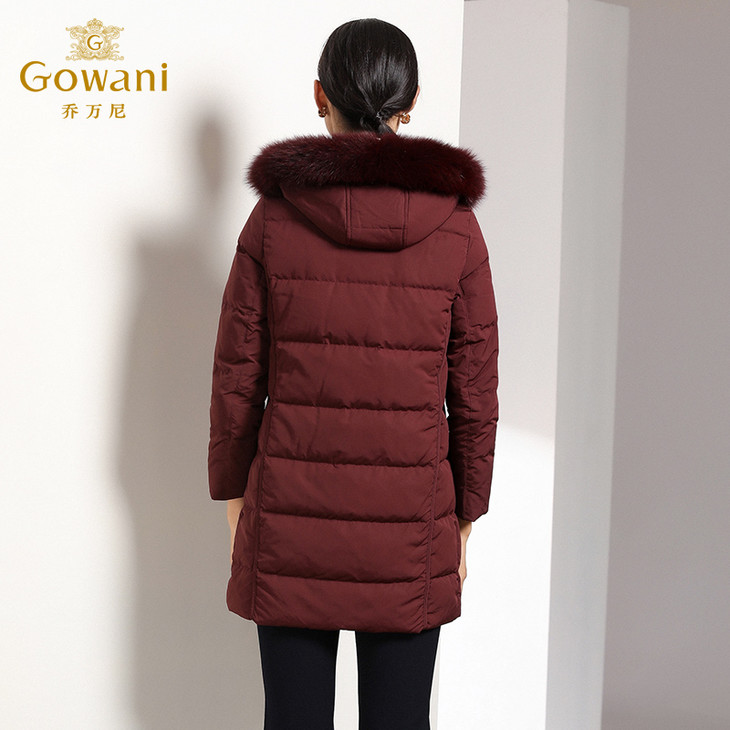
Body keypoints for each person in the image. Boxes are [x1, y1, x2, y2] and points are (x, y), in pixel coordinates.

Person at [207, 17, 499, 730]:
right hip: (412, 524)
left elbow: (237, 372)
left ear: (320, 96)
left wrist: (233, 495)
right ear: (411, 102)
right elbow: (476, 389)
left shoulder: (273, 219)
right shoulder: (456, 228)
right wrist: (465, 515)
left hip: (290, 517)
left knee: (293, 719)